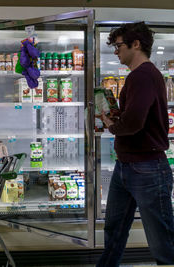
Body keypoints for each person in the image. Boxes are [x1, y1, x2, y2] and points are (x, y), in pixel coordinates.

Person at [97, 22, 174, 266]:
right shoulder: (140, 77)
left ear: (136, 44)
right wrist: (118, 116)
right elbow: (137, 116)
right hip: (127, 166)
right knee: (114, 229)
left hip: (148, 168)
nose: (116, 51)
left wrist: (110, 123)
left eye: (119, 46)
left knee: (162, 239)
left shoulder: (142, 76)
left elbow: (133, 124)